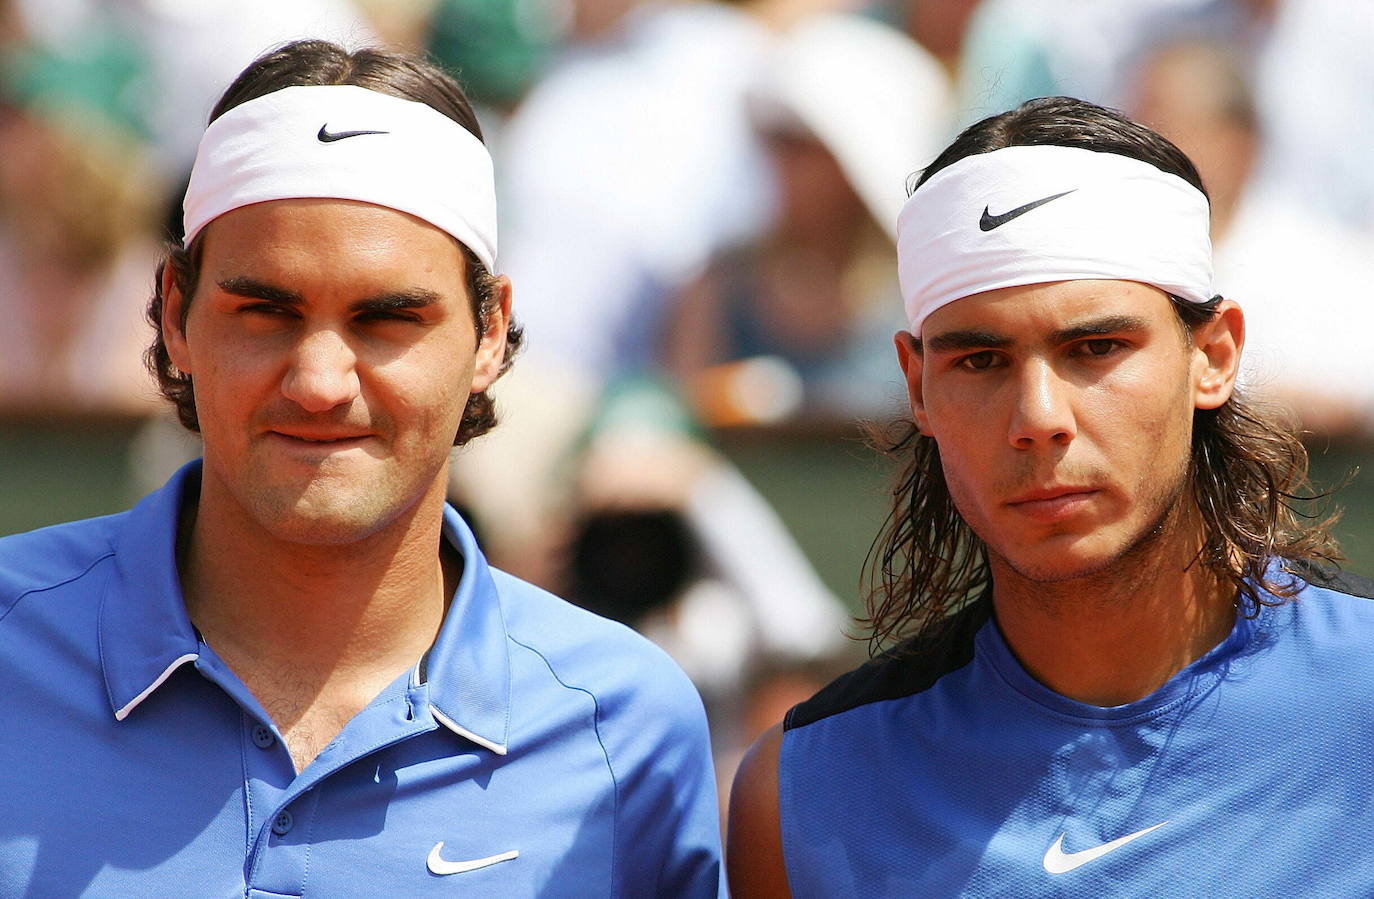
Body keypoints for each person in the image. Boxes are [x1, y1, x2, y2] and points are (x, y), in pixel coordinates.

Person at [0, 40, 723, 897]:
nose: (318, 383)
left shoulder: (627, 724)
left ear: (489, 332)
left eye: (387, 318)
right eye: (265, 310)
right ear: (176, 313)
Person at [727, 96, 1374, 897]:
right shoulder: (803, 792)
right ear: (916, 386)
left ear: (1214, 354)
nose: (1039, 419)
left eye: (1096, 347)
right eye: (980, 361)